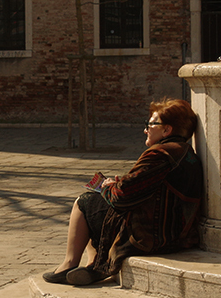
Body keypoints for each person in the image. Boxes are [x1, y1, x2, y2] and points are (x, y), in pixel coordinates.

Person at [43, 98, 204, 286]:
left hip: (152, 235)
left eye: (150, 124)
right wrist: (118, 182)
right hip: (177, 233)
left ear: (167, 130)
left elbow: (122, 197)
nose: (145, 129)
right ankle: (93, 264)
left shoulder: (160, 154)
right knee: (98, 200)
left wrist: (107, 186)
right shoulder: (186, 152)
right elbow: (147, 184)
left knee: (85, 202)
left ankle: (69, 265)